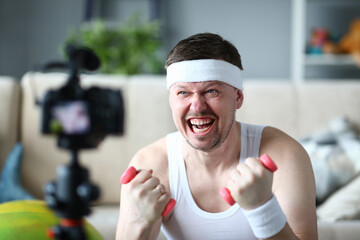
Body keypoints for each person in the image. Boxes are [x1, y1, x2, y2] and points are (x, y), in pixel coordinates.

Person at [116, 33, 318, 240]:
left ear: (238, 97)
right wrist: (140, 223)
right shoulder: (151, 165)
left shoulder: (283, 155)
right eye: (183, 93)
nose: (197, 106)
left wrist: (263, 209)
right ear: (171, 99)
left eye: (211, 91)